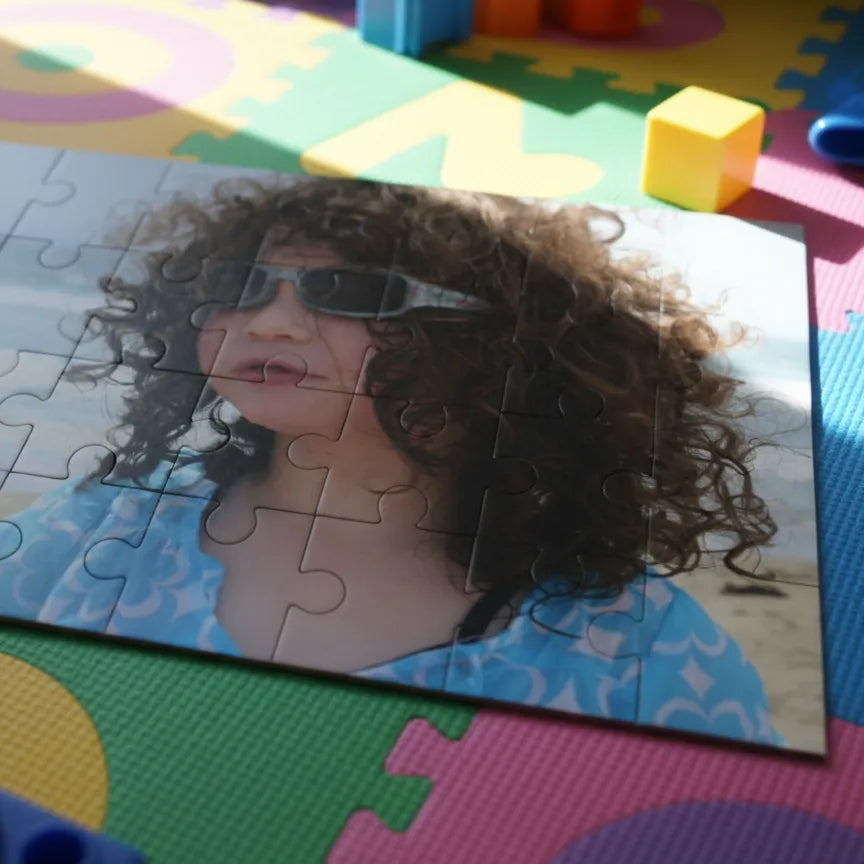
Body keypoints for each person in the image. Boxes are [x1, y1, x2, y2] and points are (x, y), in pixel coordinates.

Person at [0, 176, 784, 745]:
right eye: (240, 284)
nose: (271, 323)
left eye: (350, 290)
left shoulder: (634, 648)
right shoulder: (100, 532)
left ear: (506, 350)